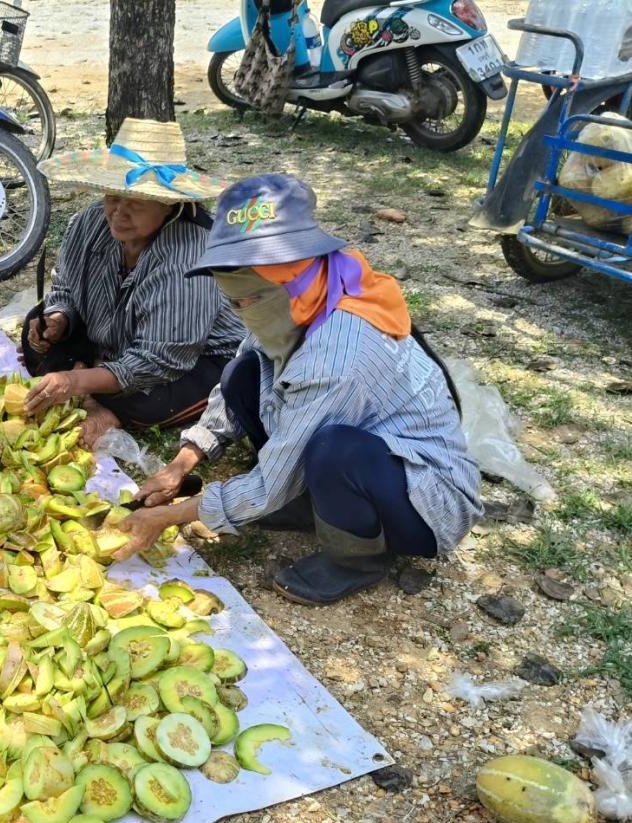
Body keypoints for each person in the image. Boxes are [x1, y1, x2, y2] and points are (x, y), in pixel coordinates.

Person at [115, 174, 483, 606]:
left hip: (422, 496)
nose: (241, 311)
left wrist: (167, 517)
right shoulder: (300, 299)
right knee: (243, 375)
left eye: (246, 301)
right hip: (359, 451)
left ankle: (357, 558)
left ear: (286, 278)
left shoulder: (337, 353)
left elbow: (275, 476)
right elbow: (241, 374)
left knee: (335, 448)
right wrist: (182, 462)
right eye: (233, 301)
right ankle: (310, 501)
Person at [18, 119, 245, 449]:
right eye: (113, 197)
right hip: (118, 339)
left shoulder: (187, 253)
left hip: (192, 358)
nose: (117, 213)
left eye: (135, 202)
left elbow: (160, 360)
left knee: (151, 401)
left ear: (168, 203)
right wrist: (59, 319)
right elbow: (65, 287)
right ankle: (95, 385)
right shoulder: (89, 222)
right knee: (33, 332)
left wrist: (74, 379)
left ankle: (107, 406)